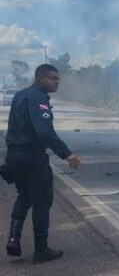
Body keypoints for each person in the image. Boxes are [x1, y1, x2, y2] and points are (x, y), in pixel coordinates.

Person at [4, 64, 81, 264]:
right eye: (53, 78)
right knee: (42, 201)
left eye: (58, 79)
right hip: (32, 158)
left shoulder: (21, 95)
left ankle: (14, 239)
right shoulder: (38, 98)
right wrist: (67, 154)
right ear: (40, 78)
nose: (57, 82)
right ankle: (41, 250)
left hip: (14, 156)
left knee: (24, 196)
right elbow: (44, 131)